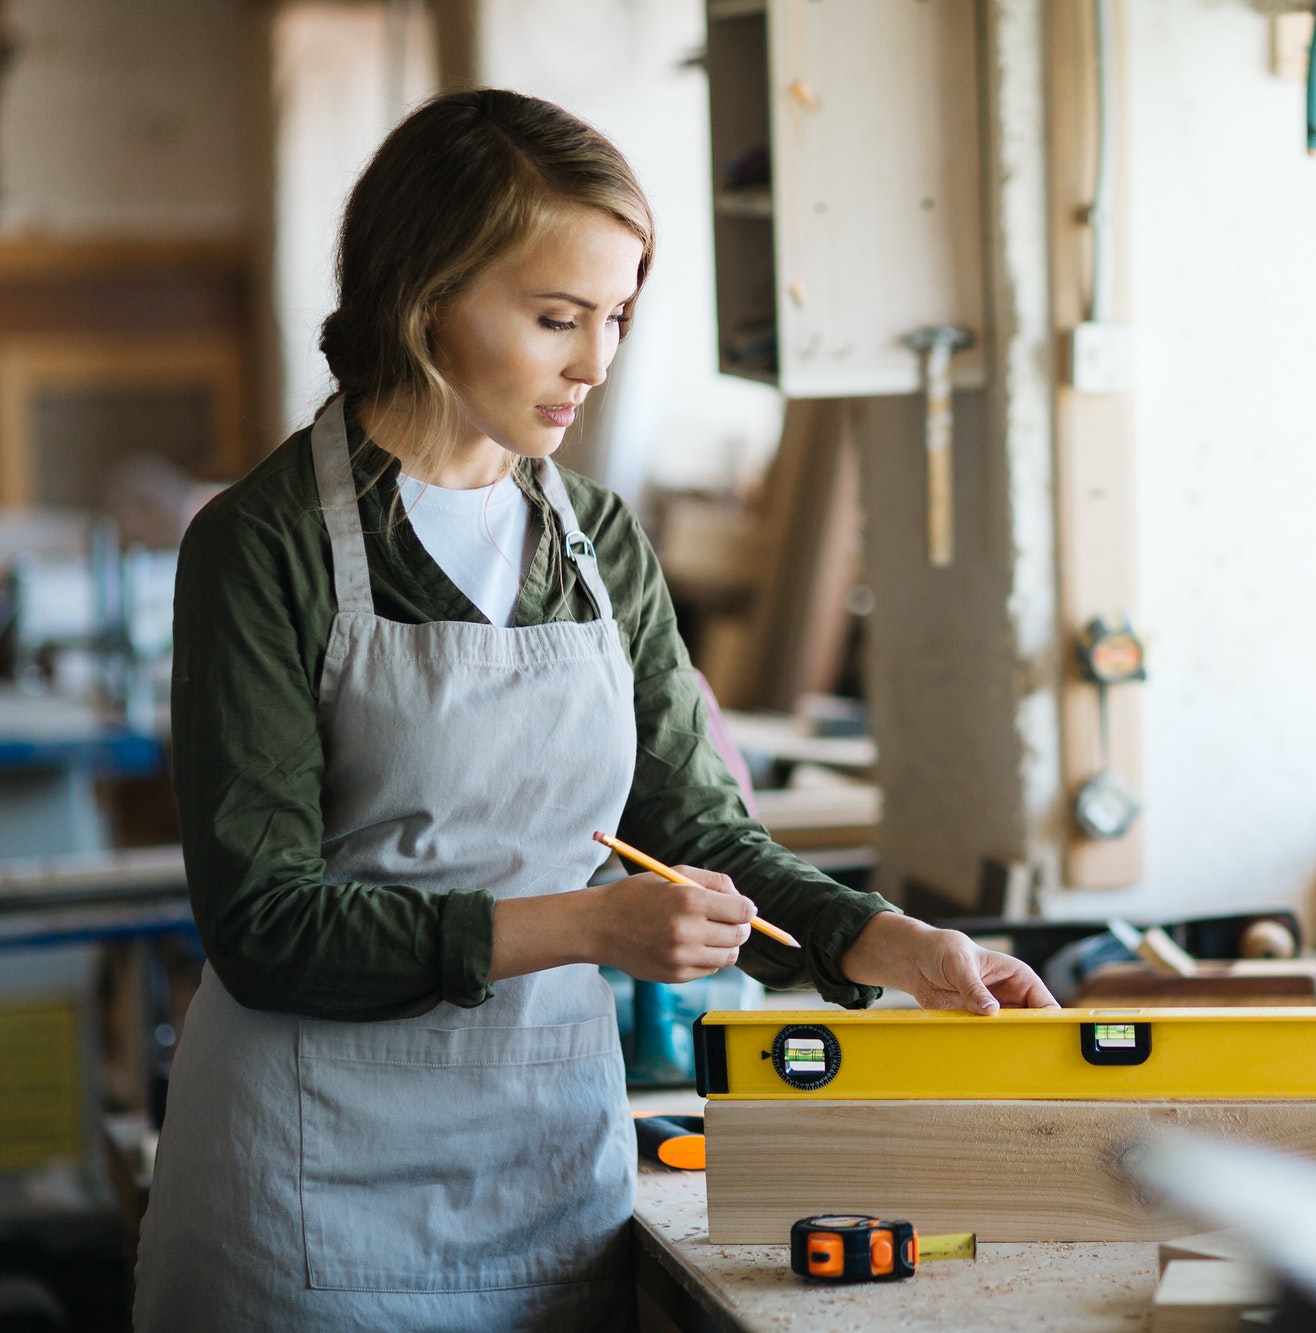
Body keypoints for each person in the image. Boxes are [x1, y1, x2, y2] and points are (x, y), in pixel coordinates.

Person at [133, 89, 1055, 1331]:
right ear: (423, 299)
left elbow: (695, 827)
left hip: (545, 1166)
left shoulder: (594, 539)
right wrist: (588, 925)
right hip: (307, 1179)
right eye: (556, 317)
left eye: (616, 316)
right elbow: (263, 924)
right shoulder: (263, 545)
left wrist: (890, 947)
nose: (596, 363)